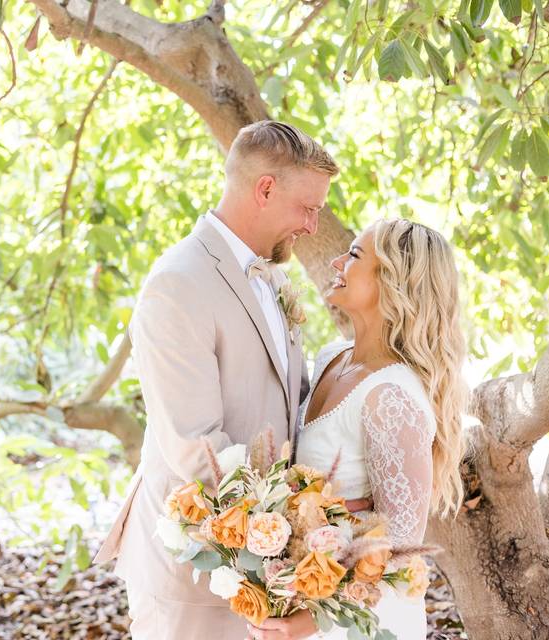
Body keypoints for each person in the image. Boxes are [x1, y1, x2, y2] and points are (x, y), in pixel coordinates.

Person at [92, 120, 339, 639]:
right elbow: (196, 446)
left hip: (262, 562)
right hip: (194, 567)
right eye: (308, 208)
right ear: (265, 189)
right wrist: (278, 547)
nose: (314, 226)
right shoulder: (178, 284)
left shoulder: (272, 275)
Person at [250, 219, 467, 640]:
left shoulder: (391, 395)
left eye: (352, 255)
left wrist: (312, 621)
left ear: (393, 280)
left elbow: (400, 548)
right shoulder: (332, 357)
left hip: (356, 621)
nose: (335, 261)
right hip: (305, 593)